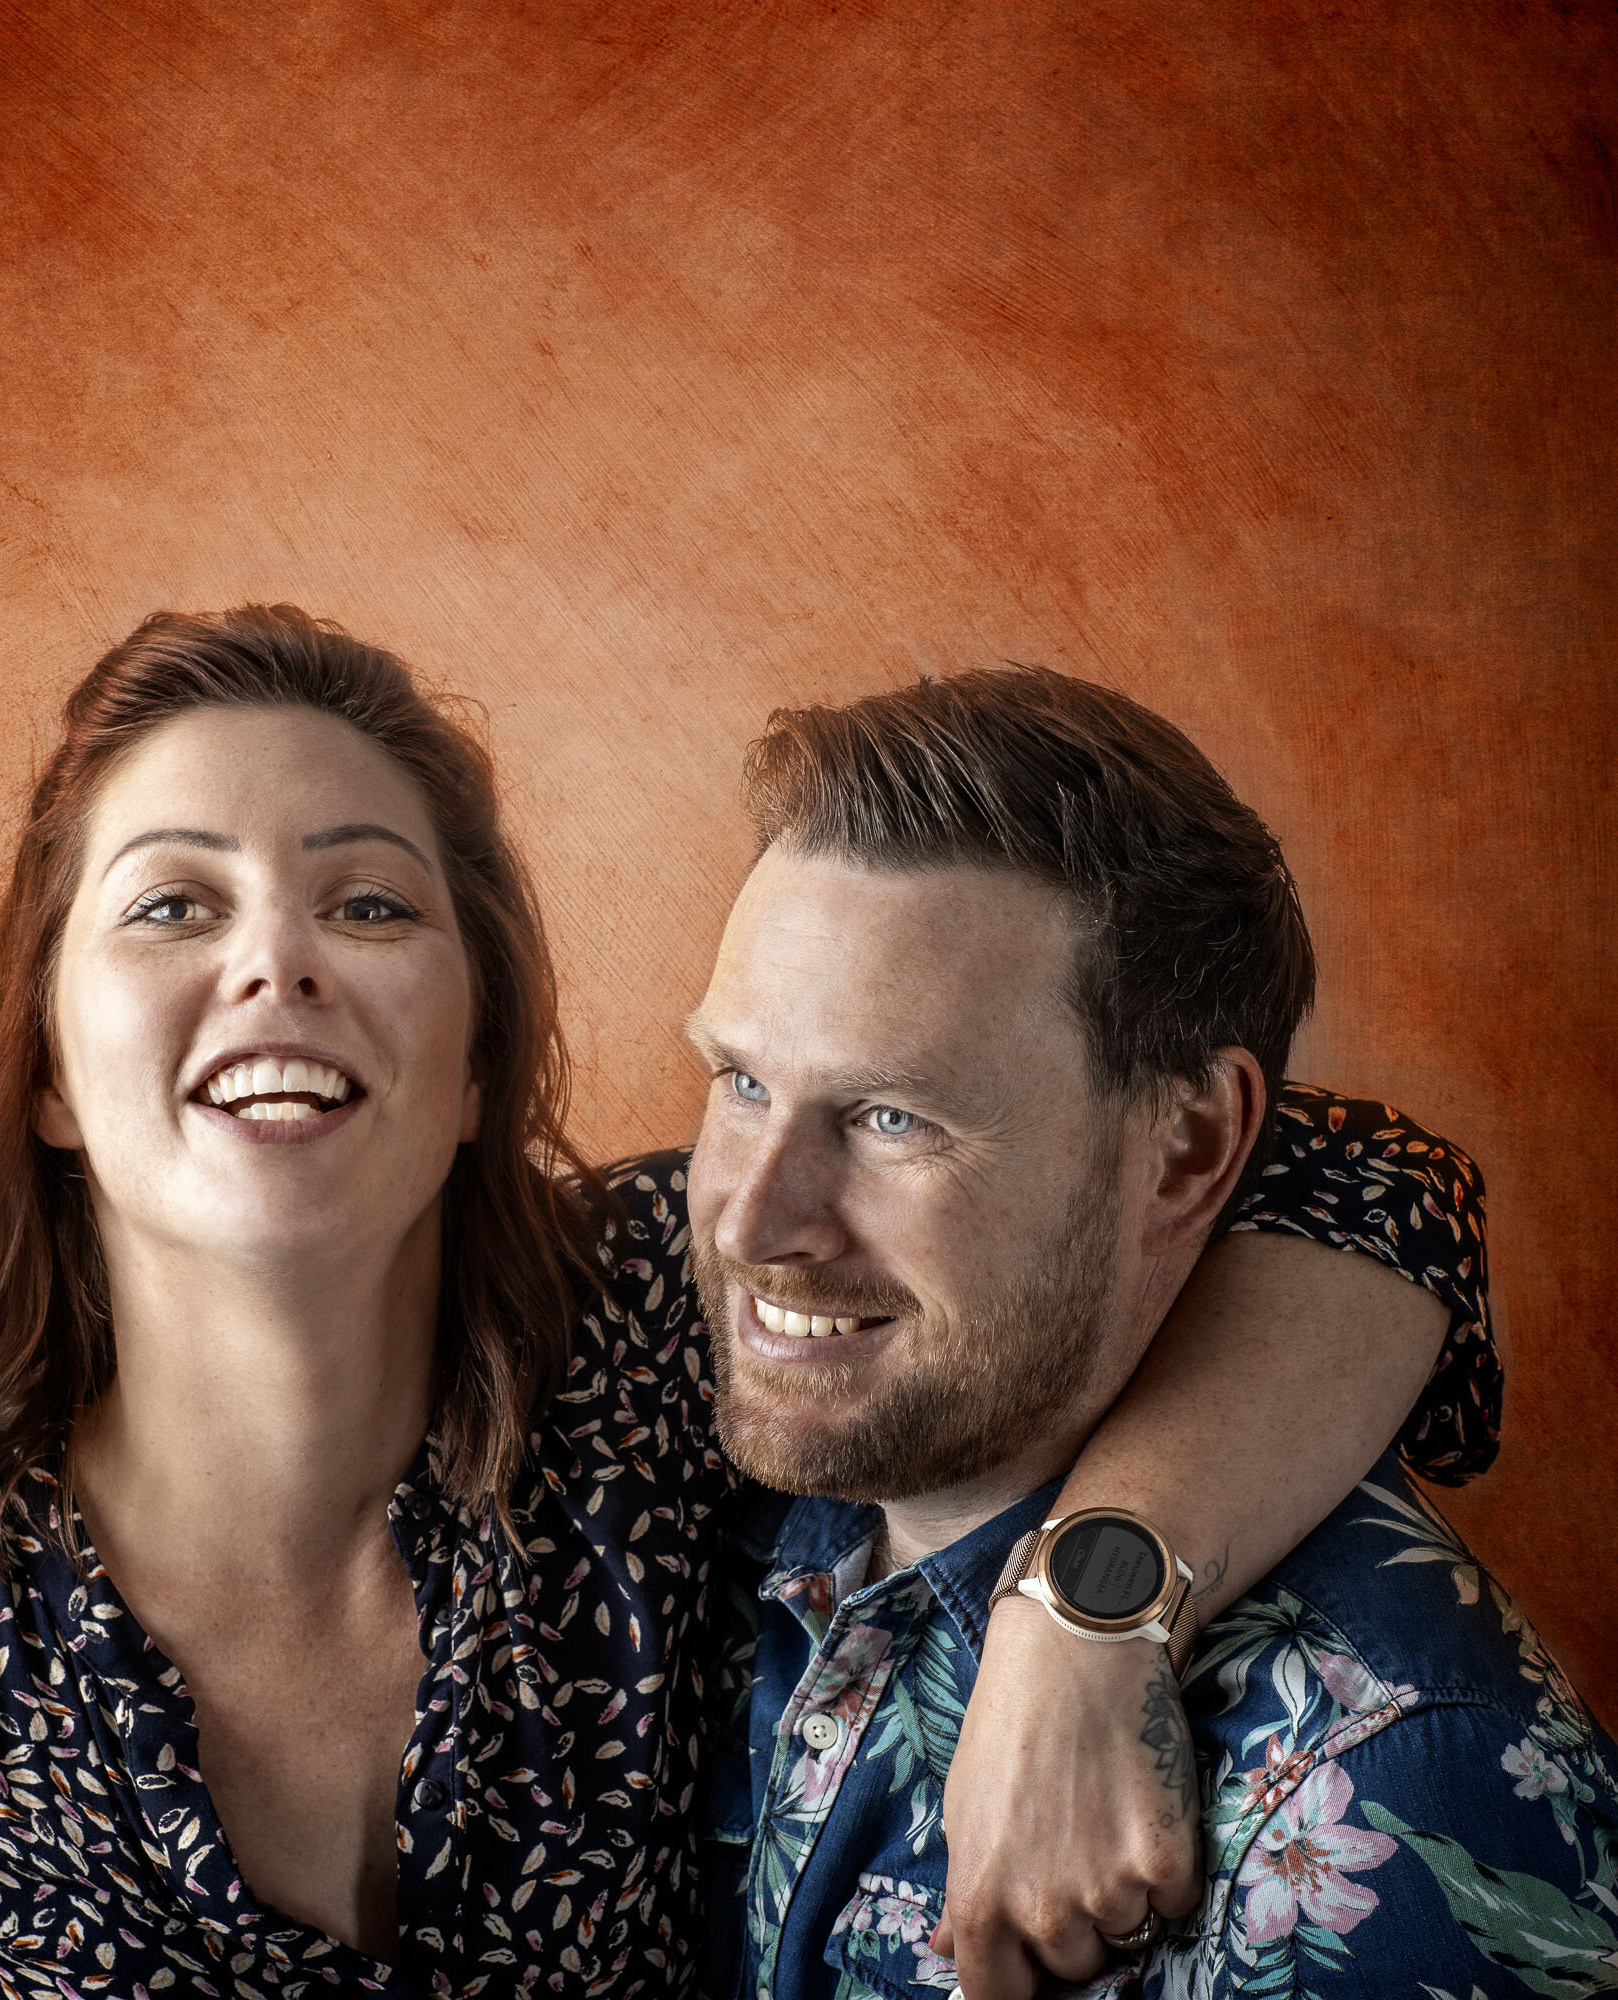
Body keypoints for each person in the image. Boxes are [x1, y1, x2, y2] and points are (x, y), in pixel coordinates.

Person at [0, 607, 1497, 1999]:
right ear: (45, 1063)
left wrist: (1089, 1607)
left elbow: (1323, 1177)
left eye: (369, 904)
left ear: (475, 1063)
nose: (276, 962)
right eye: (172, 905)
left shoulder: (661, 1337)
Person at [680, 666, 1614, 1999]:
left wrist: (1094, 1609)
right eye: (739, 1079)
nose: (751, 1220)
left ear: (1187, 1148)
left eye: (892, 1118)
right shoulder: (652, 1432)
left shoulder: (1386, 1804)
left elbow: (1383, 1179)